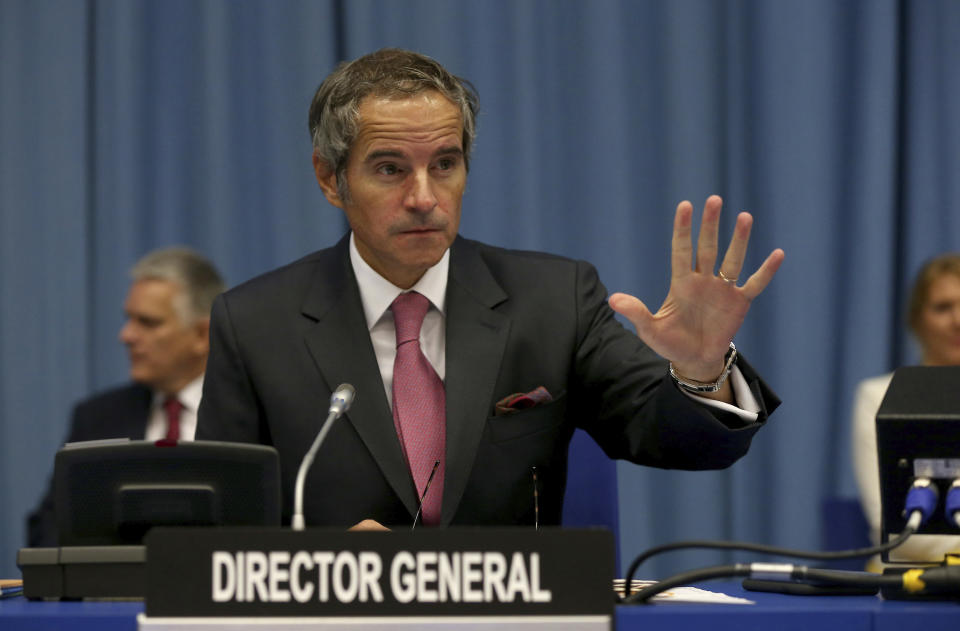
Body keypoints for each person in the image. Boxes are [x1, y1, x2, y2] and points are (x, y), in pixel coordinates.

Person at [197, 48, 785, 530]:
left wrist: (702, 370)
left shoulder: (553, 299)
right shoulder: (254, 324)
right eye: (390, 168)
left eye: (445, 164)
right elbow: (216, 533)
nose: (424, 197)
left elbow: (686, 445)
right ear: (331, 179)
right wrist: (315, 569)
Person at [26, 247, 225, 547]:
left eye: (147, 323)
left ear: (201, 335)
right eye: (128, 319)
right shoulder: (97, 417)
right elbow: (50, 527)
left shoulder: (248, 411)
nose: (127, 336)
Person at [852, 253, 960, 565]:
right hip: (906, 582)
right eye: (942, 307)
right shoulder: (878, 395)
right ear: (916, 319)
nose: (957, 320)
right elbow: (893, 528)